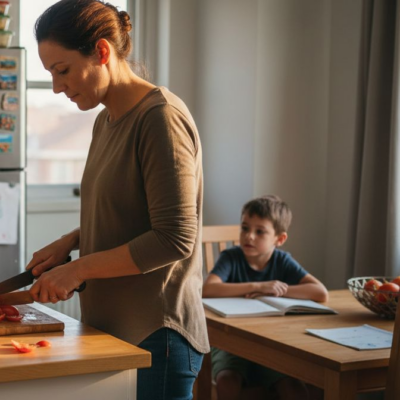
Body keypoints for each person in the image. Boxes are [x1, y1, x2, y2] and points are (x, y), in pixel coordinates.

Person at [27, 1, 208, 398]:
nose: (57, 87)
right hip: (115, 330)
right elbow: (129, 208)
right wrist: (71, 242)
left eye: (63, 70)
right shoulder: (105, 120)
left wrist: (77, 271)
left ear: (102, 52)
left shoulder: (160, 118)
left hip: (156, 335)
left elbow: (174, 238)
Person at [202, 195, 328, 400]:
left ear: (279, 239)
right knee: (227, 382)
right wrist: (257, 286)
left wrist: (276, 290)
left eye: (259, 231)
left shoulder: (282, 260)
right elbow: (208, 289)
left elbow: (320, 292)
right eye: (245, 228)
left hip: (273, 346)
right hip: (231, 343)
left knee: (294, 388)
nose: (249, 236)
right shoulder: (231, 257)